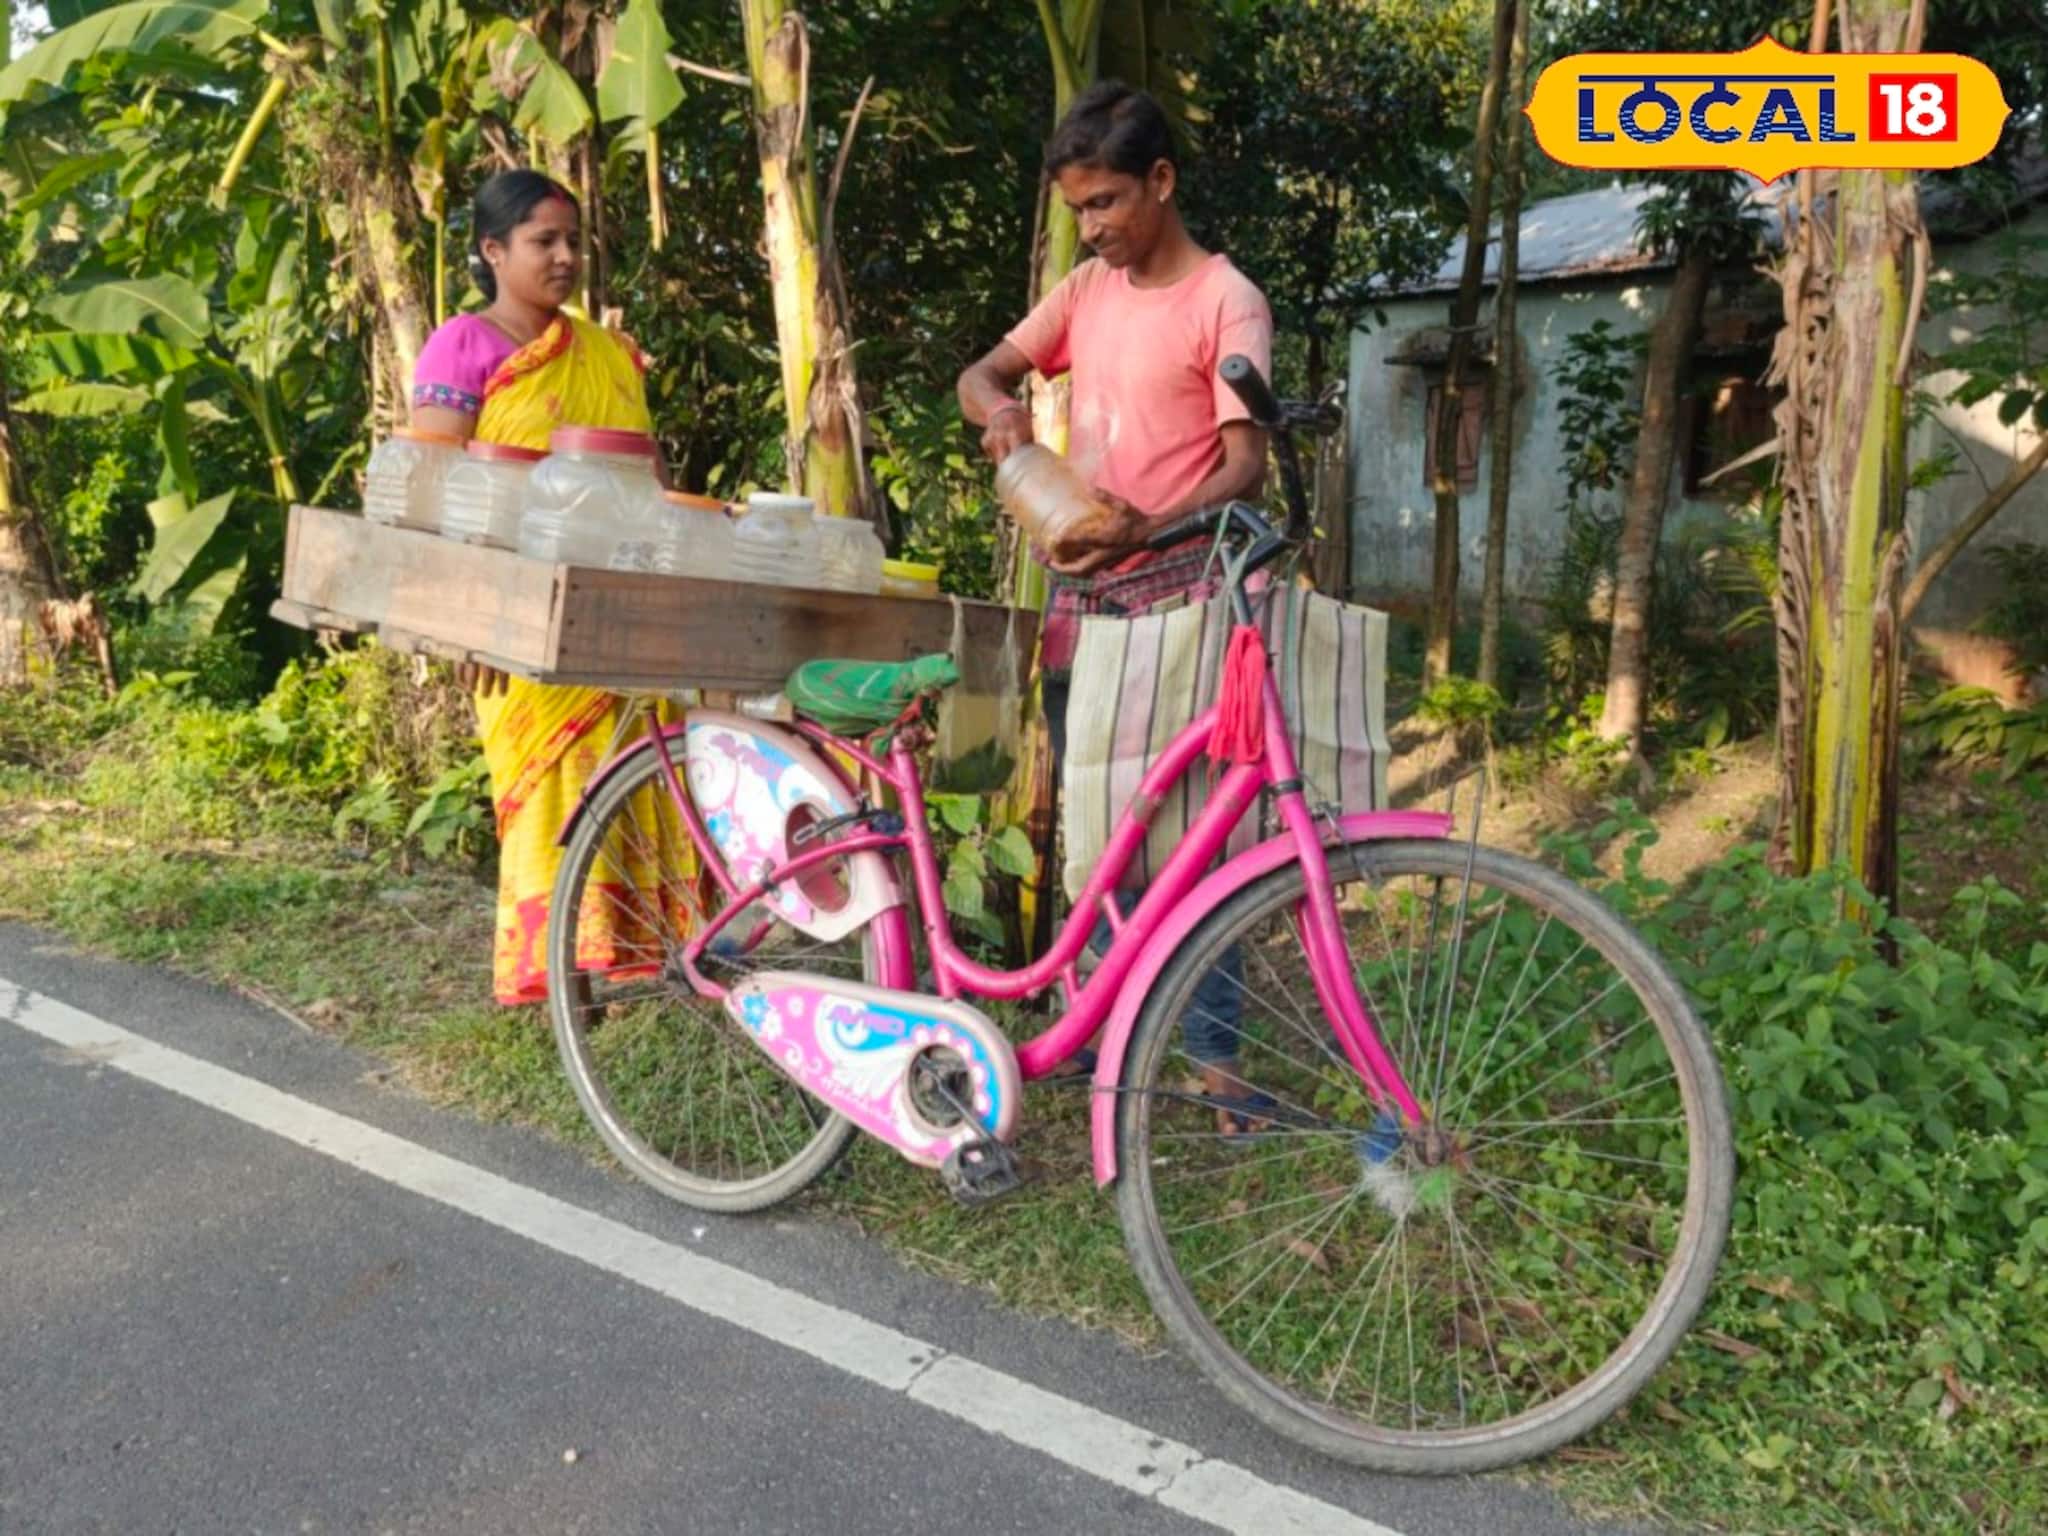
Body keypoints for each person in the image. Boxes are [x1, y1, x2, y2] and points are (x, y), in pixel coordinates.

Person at [956, 83, 1277, 1133]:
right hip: (1083, 606)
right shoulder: (1086, 292)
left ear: (1161, 182)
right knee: (1099, 838)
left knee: (1198, 848)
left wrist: (1151, 528)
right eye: (1077, 213)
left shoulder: (1225, 299)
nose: (1091, 229)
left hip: (1190, 603)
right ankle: (1100, 1046)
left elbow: (1244, 465)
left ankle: (1213, 1064)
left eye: (1104, 204)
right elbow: (982, 371)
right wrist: (1002, 409)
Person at [410, 170, 697, 1005]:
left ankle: (635, 967)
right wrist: (465, 621)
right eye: (544, 241)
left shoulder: (609, 353)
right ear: (493, 251)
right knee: (547, 792)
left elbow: (648, 479)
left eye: (573, 240)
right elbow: (437, 494)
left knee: (634, 774)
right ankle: (562, 985)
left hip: (621, 605)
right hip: (514, 616)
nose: (566, 256)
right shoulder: (461, 347)